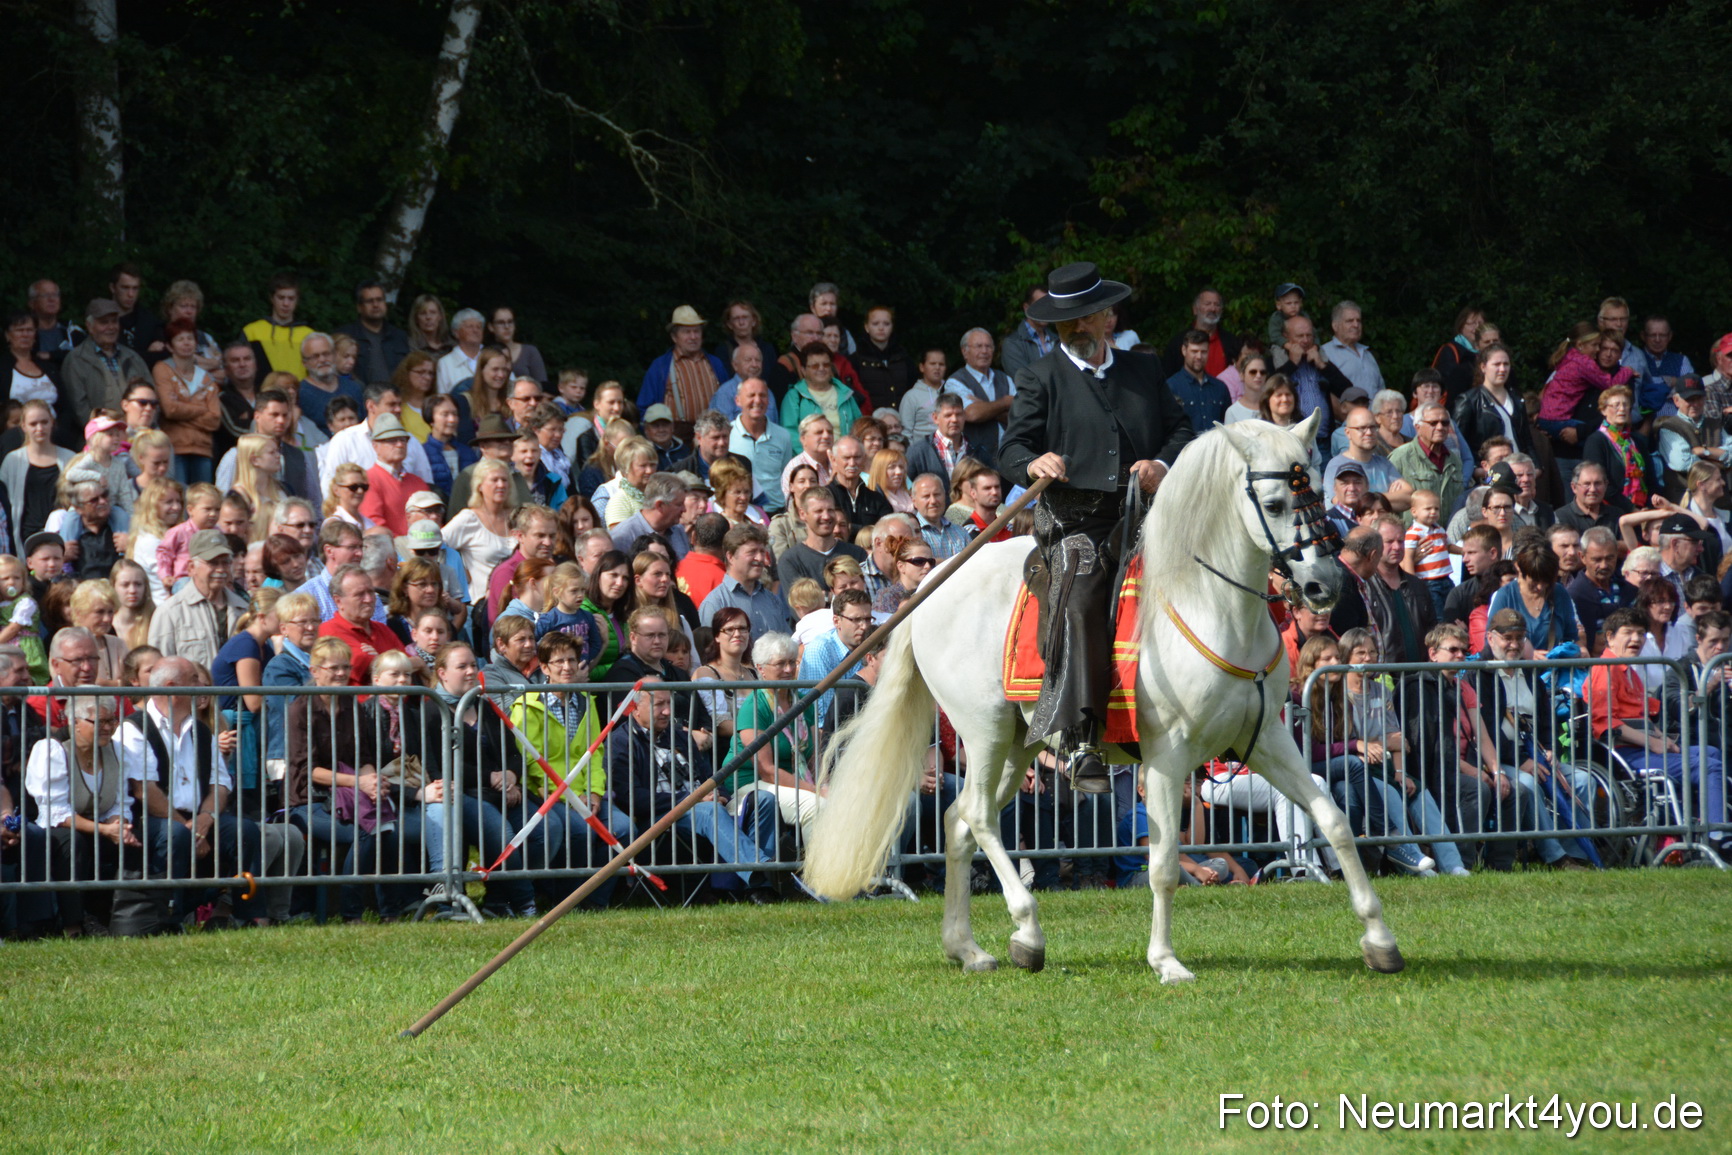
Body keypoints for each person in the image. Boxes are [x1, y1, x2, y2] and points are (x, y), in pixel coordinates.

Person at [1589, 607, 1729, 862]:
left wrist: (1664, 739)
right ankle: (1717, 836)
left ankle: (1697, 828)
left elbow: (1646, 717)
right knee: (1707, 765)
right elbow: (1606, 723)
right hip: (1626, 756)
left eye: (1641, 633)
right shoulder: (1604, 669)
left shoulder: (1631, 671)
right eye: (1628, 633)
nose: (1636, 639)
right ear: (1610, 637)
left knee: (1710, 751)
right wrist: (1654, 743)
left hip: (1644, 748)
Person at [24, 694, 142, 937]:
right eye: (100, 722)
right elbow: (54, 813)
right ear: (75, 722)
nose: (108, 728)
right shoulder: (51, 750)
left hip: (98, 825)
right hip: (56, 829)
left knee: (132, 841)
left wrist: (118, 825)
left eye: (112, 721)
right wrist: (104, 830)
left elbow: (119, 801)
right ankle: (73, 925)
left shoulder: (118, 751)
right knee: (72, 843)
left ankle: (124, 920)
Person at [147, 531, 247, 668]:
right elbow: (158, 669)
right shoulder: (170, 612)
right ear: (191, 568)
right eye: (213, 563)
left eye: (225, 563)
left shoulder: (244, 609)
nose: (221, 569)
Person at [638, 307, 727, 434]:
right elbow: (645, 408)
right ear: (674, 337)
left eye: (696, 331)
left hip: (712, 435)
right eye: (687, 332)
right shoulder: (661, 366)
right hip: (676, 437)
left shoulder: (715, 364)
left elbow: (729, 398)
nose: (693, 337)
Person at [63, 297, 151, 420]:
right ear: (90, 326)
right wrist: (107, 432)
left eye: (114, 321)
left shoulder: (133, 357)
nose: (111, 327)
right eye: (104, 322)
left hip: (137, 434)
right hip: (99, 435)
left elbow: (152, 398)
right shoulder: (76, 360)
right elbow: (79, 409)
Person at [697, 524, 791, 640]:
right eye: (752, 552)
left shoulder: (772, 600)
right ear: (730, 556)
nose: (760, 558)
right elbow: (710, 652)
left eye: (762, 552)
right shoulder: (715, 604)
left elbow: (787, 644)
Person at [1581, 385, 1654, 511]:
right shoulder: (1596, 441)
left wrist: (1649, 505)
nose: (1622, 409)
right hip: (1611, 512)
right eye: (1616, 405)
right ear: (1603, 410)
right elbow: (1600, 482)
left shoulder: (1637, 441)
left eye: (1626, 405)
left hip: (1642, 509)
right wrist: (1630, 508)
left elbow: (1651, 478)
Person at [729, 377, 791, 514]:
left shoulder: (783, 436)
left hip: (776, 513)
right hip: (740, 513)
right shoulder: (727, 434)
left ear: (768, 400)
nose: (757, 400)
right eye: (751, 395)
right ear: (738, 401)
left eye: (762, 395)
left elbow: (786, 478)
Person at [1164, 329, 1232, 430]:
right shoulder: (1171, 387)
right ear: (1184, 350)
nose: (1199, 357)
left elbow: (1228, 426)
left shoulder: (1220, 388)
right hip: (1185, 445)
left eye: (1203, 352)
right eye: (1194, 352)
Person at [435, 309, 487, 395]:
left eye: (479, 327)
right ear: (456, 332)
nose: (475, 330)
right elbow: (441, 397)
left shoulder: (493, 357)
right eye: (470, 326)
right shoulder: (445, 363)